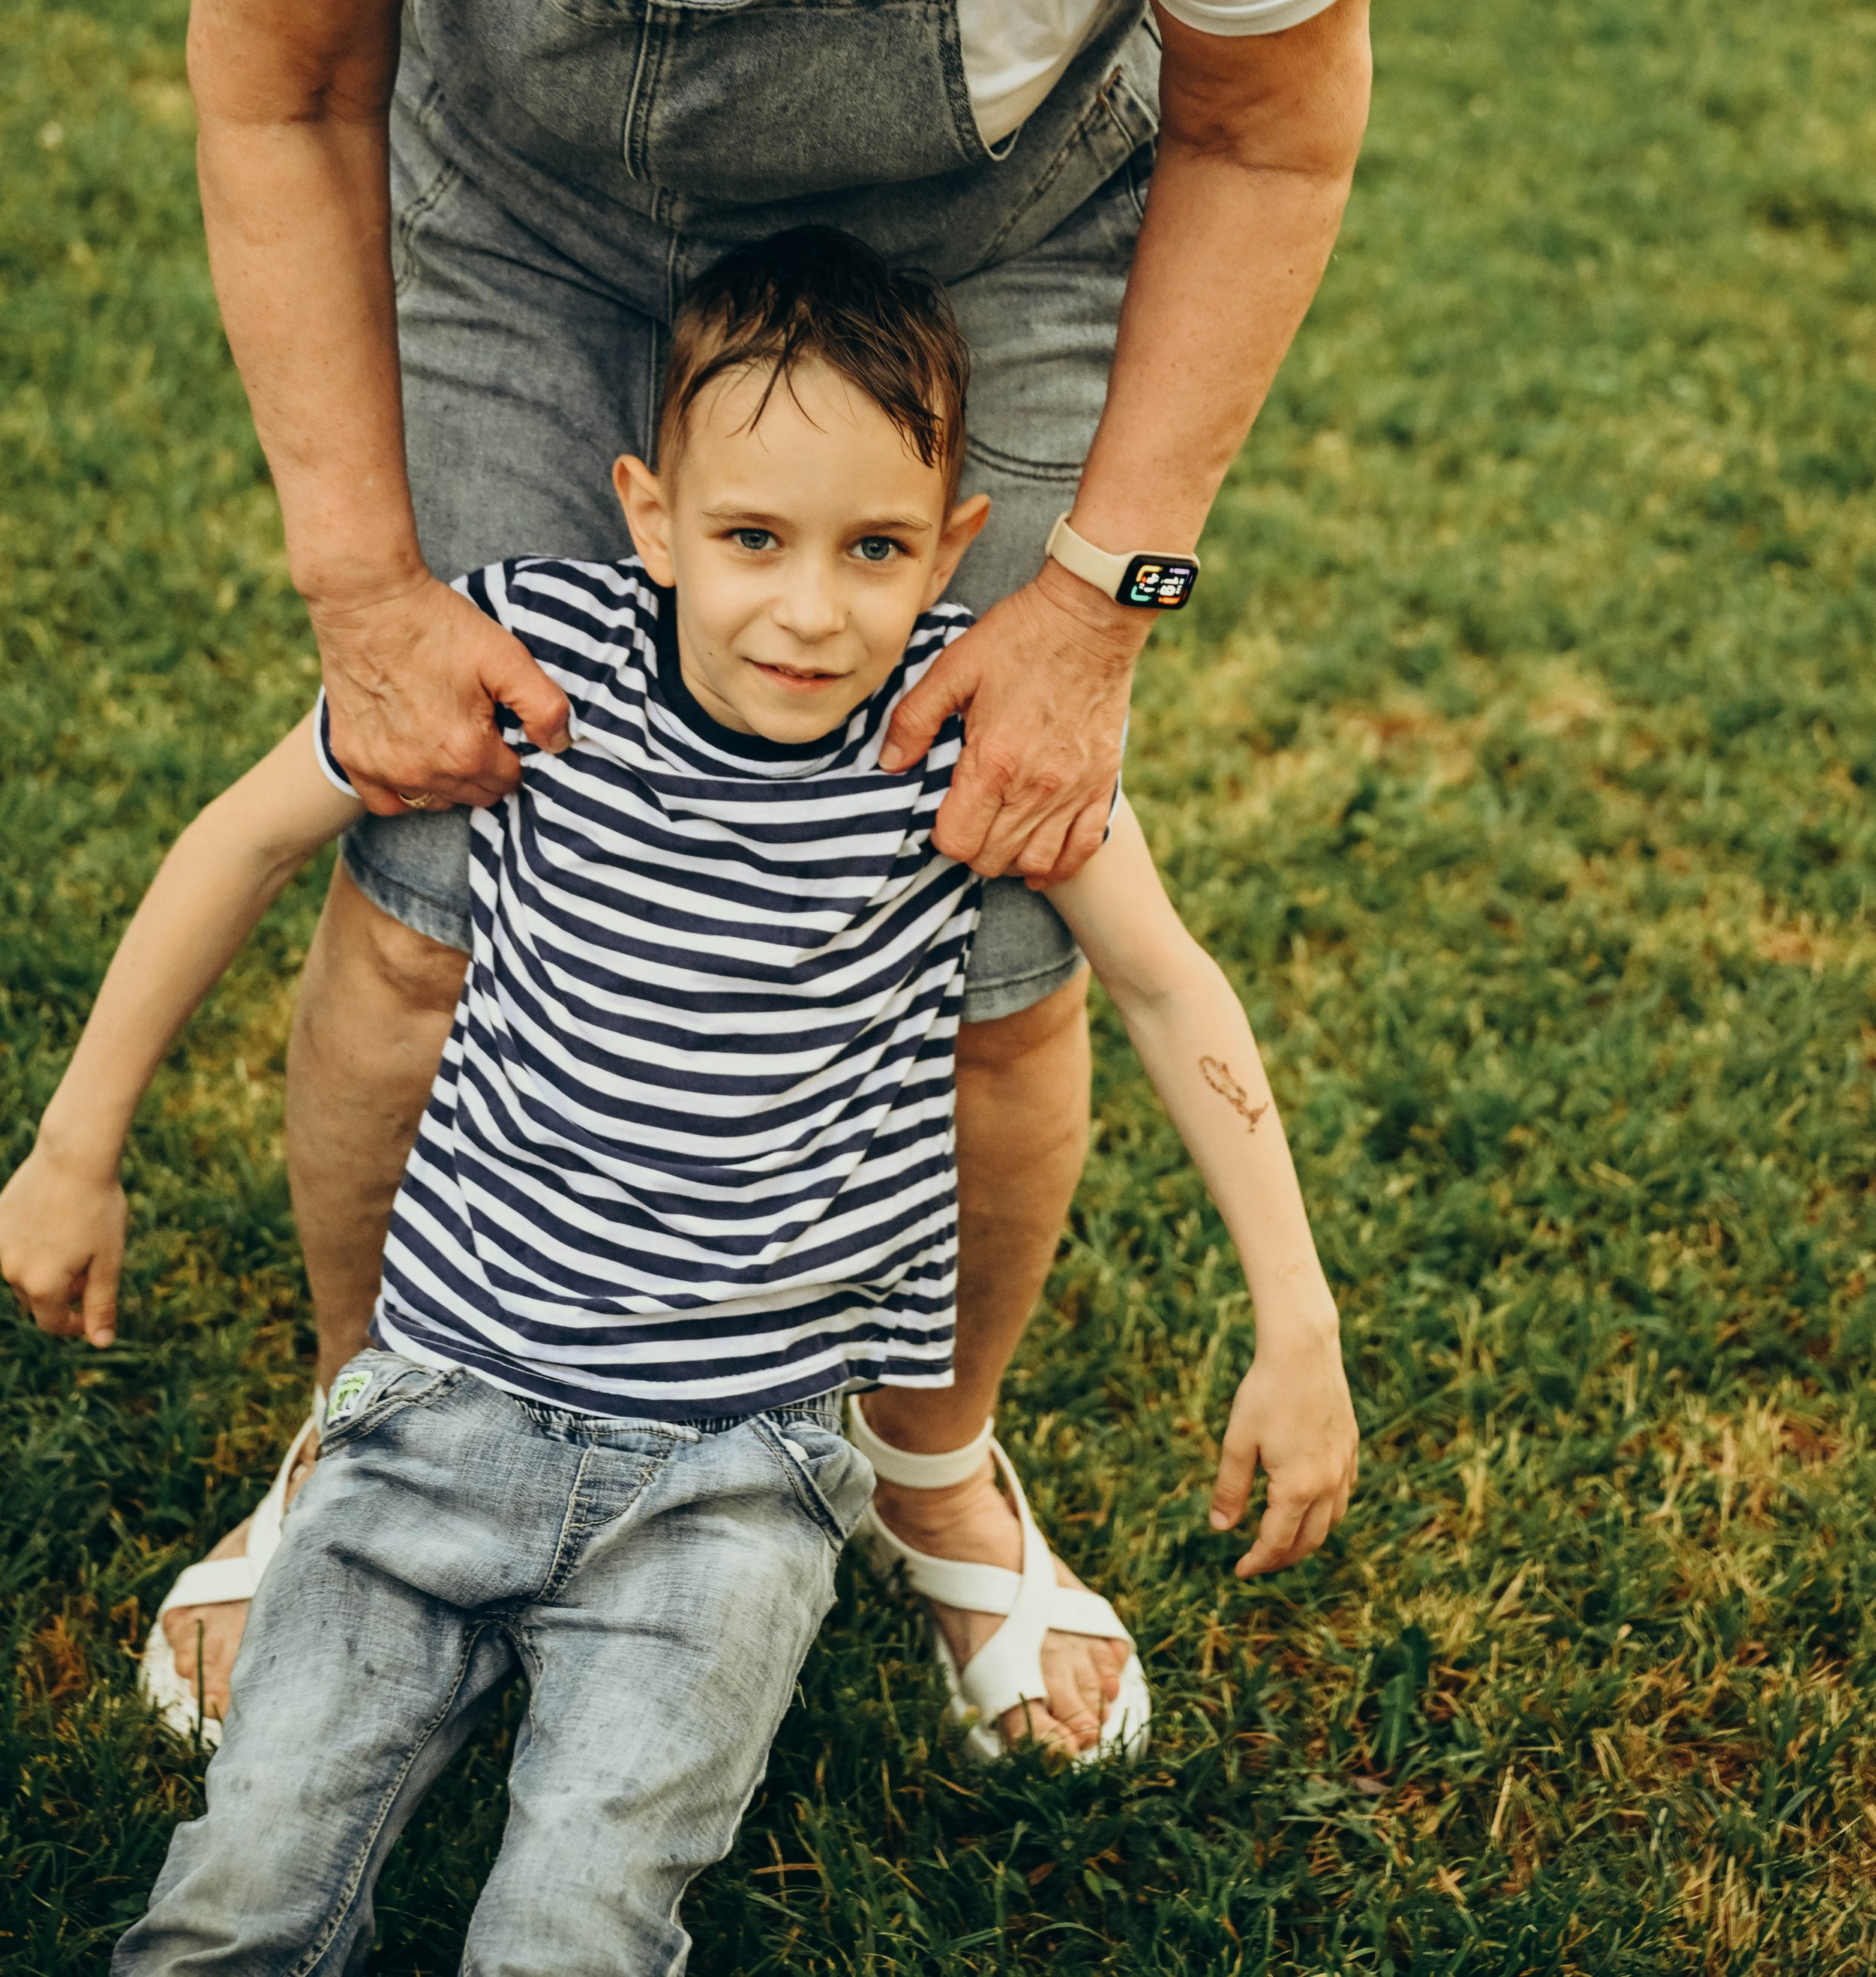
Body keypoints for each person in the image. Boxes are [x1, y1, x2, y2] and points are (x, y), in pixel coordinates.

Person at [161, 0, 1400, 1745]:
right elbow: (281, 77)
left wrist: (1085, 614)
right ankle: (373, 1427)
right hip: (514, 200)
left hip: (1005, 227)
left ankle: (931, 1452)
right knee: (421, 873)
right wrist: (366, 595)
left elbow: (1274, 134)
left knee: (1000, 921)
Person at [5, 233, 1355, 1970]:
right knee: (233, 1903)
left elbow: (1171, 990)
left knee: (576, 1925)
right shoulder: (529, 654)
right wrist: (72, 1140)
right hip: (436, 1408)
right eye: (750, 539)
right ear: (649, 519)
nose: (810, 607)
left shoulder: (968, 728)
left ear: (952, 546)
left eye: (874, 548)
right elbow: (247, 836)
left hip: (739, 1474)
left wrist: (1295, 1312)